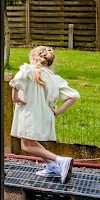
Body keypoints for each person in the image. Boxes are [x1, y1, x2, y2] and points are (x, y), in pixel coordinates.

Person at [10, 45, 80, 183]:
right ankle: (52, 166)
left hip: (30, 113)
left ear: (33, 57)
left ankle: (61, 161)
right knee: (31, 142)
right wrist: (58, 111)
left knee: (26, 145)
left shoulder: (28, 69)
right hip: (45, 114)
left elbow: (17, 81)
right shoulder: (54, 77)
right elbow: (74, 95)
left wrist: (15, 97)